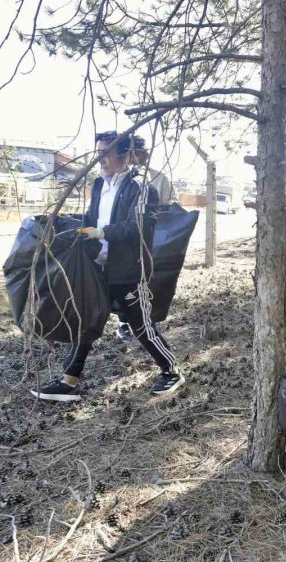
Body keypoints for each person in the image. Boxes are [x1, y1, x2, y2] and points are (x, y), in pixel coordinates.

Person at [31, 130, 184, 401]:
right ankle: (69, 381)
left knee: (141, 325)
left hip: (128, 271)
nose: (100, 159)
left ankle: (171, 371)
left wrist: (101, 233)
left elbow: (139, 227)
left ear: (123, 155)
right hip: (98, 267)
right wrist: (68, 224)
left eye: (106, 154)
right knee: (87, 319)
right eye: (98, 153)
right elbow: (92, 218)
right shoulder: (100, 185)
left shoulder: (140, 187)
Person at [111, 134, 180, 343]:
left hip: (153, 242)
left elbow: (170, 205)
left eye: (141, 152)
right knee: (123, 284)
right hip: (125, 242)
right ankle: (124, 323)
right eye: (134, 153)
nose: (138, 157)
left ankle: (147, 320)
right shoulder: (117, 180)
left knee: (150, 282)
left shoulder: (158, 179)